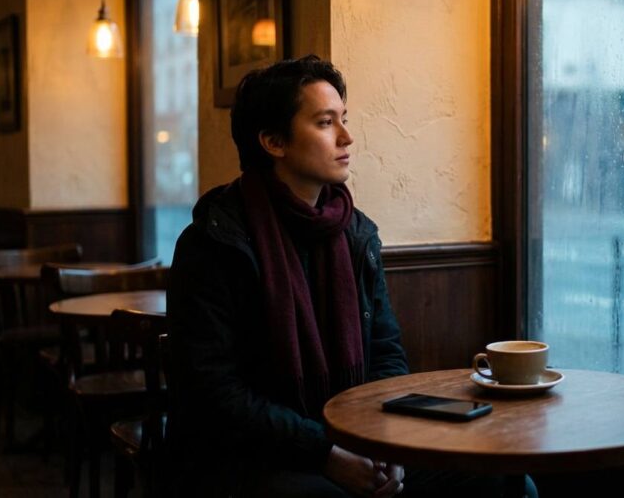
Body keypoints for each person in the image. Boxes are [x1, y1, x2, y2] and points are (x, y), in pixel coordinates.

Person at [166, 56, 535, 497]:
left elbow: (386, 356)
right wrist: (326, 453)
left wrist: (384, 445)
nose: (346, 136)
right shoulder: (215, 242)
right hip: (251, 453)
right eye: (326, 123)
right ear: (273, 141)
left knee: (508, 483)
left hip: (357, 437)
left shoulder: (356, 233)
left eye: (344, 118)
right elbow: (216, 394)